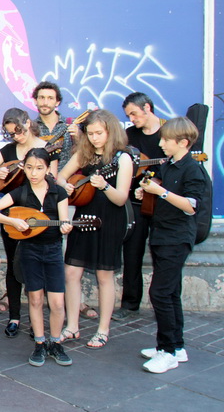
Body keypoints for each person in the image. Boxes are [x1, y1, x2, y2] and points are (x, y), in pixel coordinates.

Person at [0, 148, 73, 367]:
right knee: (34, 299)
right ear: (24, 167)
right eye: (30, 167)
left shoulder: (58, 192)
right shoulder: (20, 193)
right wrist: (13, 222)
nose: (34, 173)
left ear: (48, 168)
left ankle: (55, 342)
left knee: (57, 303)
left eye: (40, 168)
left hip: (52, 250)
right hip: (30, 250)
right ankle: (40, 344)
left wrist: (66, 227)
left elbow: (63, 221)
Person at [57, 109, 133, 349]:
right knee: (71, 272)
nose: (94, 138)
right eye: (90, 134)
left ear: (111, 132)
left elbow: (121, 198)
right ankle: (72, 326)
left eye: (99, 133)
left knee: (104, 275)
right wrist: (67, 187)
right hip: (83, 217)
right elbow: (60, 176)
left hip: (109, 219)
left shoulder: (123, 158)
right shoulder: (84, 154)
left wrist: (104, 186)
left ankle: (103, 329)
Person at [137, 117, 205, 373]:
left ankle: (167, 353)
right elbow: (158, 190)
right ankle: (175, 346)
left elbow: (191, 206)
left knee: (160, 293)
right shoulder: (168, 165)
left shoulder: (193, 169)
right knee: (171, 292)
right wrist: (145, 191)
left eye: (166, 140)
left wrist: (161, 193)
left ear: (183, 142)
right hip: (161, 235)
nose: (161, 143)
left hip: (177, 238)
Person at [0, 107, 52, 337]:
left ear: (28, 124)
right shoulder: (9, 149)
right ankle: (14, 317)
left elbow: (54, 181)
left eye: (18, 131)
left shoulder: (45, 147)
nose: (15, 136)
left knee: (35, 267)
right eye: (10, 133)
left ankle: (36, 321)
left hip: (38, 213)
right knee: (13, 264)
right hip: (10, 214)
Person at [114, 92, 165, 322]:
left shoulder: (168, 132)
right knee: (132, 252)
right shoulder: (130, 135)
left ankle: (164, 303)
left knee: (163, 253)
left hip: (164, 203)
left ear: (147, 107)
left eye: (134, 113)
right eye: (128, 115)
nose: (132, 119)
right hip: (135, 202)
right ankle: (130, 303)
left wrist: (155, 182)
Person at [31, 81, 73, 170]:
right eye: (42, 97)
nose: (45, 102)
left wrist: (78, 136)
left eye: (50, 98)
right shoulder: (30, 128)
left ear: (57, 102)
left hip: (68, 181)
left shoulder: (71, 124)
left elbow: (83, 152)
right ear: (35, 100)